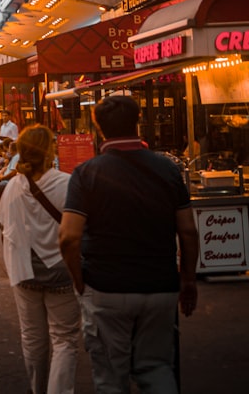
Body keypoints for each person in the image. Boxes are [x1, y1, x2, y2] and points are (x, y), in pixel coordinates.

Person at [59, 95, 199, 394]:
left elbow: (69, 236)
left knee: (111, 376)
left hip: (107, 286)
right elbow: (188, 231)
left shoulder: (87, 173)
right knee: (157, 367)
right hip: (160, 285)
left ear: (99, 129)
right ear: (138, 123)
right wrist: (187, 279)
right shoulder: (168, 169)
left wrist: (78, 280)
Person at [1, 125, 80, 394]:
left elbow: (5, 227)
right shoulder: (67, 183)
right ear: (50, 151)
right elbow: (78, 230)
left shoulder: (13, 186)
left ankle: (37, 389)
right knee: (65, 339)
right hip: (61, 268)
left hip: (24, 271)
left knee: (32, 337)